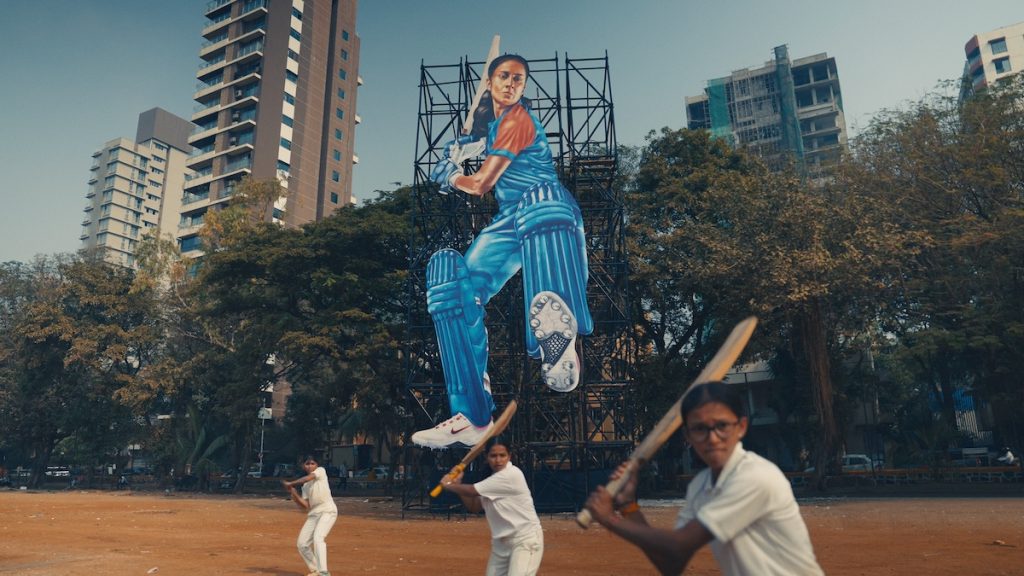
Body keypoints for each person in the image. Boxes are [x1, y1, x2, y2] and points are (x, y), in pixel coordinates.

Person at [415, 53, 593, 449]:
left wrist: (451, 175)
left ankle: (559, 340)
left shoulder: (517, 120)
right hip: (509, 220)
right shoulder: (493, 127)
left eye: (518, 79)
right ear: (490, 82)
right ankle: (472, 415)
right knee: (452, 283)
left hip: (547, 209)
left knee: (536, 207)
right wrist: (458, 149)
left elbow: (479, 184)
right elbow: (472, 143)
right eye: (504, 76)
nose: (511, 83)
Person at [585, 381, 824, 576]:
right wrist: (629, 506)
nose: (712, 438)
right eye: (700, 429)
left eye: (722, 426)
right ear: (688, 435)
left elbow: (678, 544)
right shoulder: (701, 486)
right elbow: (672, 564)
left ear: (741, 427)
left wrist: (609, 519)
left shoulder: (755, 477)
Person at [441, 440, 544, 575]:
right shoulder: (490, 478)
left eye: (502, 455)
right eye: (493, 456)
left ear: (509, 456)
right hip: (501, 542)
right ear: (486, 457)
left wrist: (449, 485)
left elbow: (472, 491)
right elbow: (474, 506)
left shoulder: (511, 474)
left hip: (524, 540)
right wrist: (458, 483)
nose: (498, 460)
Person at [282, 455, 338, 576]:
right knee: (302, 544)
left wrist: (291, 483)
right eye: (307, 464)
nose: (310, 466)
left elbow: (307, 478)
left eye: (312, 463)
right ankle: (315, 570)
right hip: (314, 514)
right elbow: (305, 506)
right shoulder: (305, 486)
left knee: (318, 538)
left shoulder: (321, 471)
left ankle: (323, 572)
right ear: (303, 466)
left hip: (327, 510)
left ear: (317, 465)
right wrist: (294, 493)